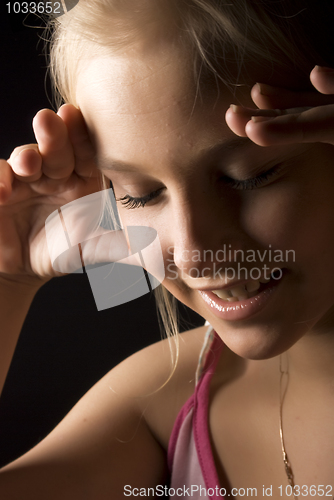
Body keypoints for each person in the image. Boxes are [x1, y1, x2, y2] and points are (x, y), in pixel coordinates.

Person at [1, 0, 334, 498]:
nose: (195, 253)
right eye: (137, 192)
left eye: (250, 177)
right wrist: (8, 278)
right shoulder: (159, 406)